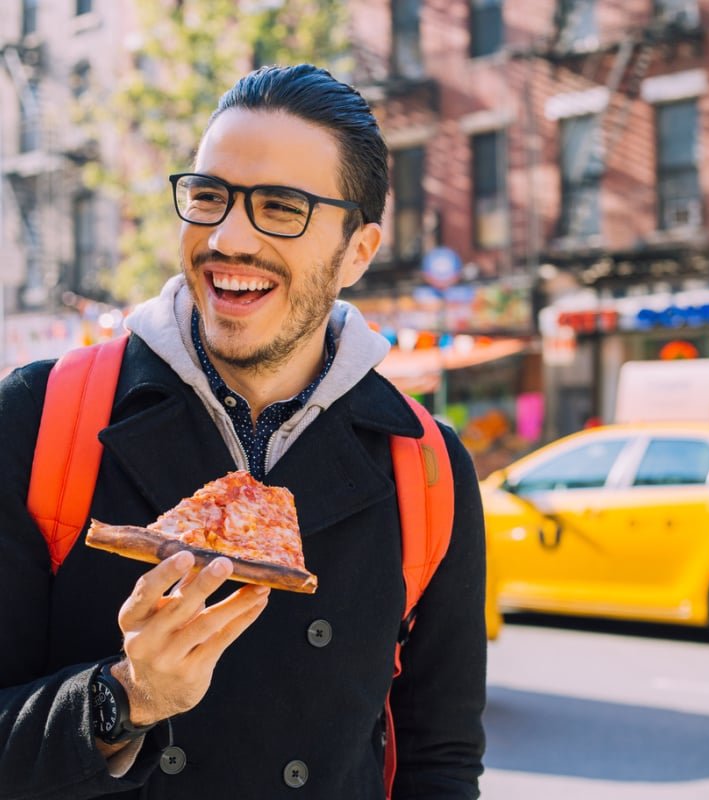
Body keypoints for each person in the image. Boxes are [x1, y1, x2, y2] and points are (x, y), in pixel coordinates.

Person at [0, 64, 486, 799]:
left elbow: (440, 762)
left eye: (281, 207)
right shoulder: (41, 417)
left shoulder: (428, 467)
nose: (228, 237)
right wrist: (123, 701)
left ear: (357, 250)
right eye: (209, 197)